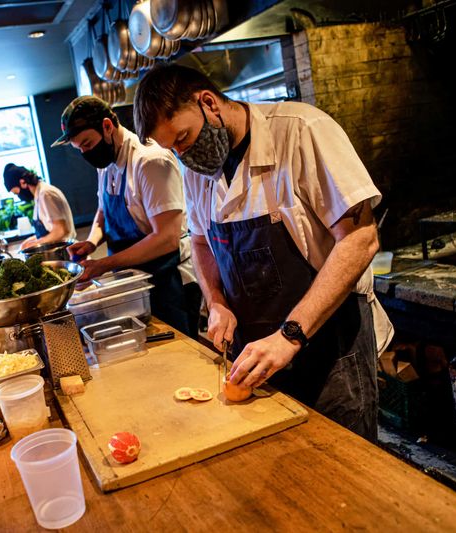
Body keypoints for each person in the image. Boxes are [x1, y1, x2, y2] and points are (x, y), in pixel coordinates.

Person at [133, 64, 393, 441]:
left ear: (208, 103)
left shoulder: (301, 131)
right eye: (173, 149)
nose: (183, 155)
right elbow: (202, 241)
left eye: (185, 138)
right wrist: (217, 301)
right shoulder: (197, 171)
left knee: (344, 468)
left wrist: (289, 336)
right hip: (255, 353)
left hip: (329, 346)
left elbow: (360, 238)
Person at [51, 95, 200, 338]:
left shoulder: (150, 161)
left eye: (87, 144)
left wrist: (102, 265)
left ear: (107, 126)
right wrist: (91, 242)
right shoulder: (106, 161)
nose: (86, 153)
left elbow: (167, 238)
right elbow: (103, 211)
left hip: (168, 283)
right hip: (134, 286)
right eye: (80, 149)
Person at [3, 163, 76, 250]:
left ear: (23, 183)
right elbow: (49, 231)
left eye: (16, 193)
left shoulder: (46, 194)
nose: (19, 196)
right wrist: (28, 242)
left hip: (66, 252)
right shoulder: (39, 195)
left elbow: (60, 231)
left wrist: (35, 244)